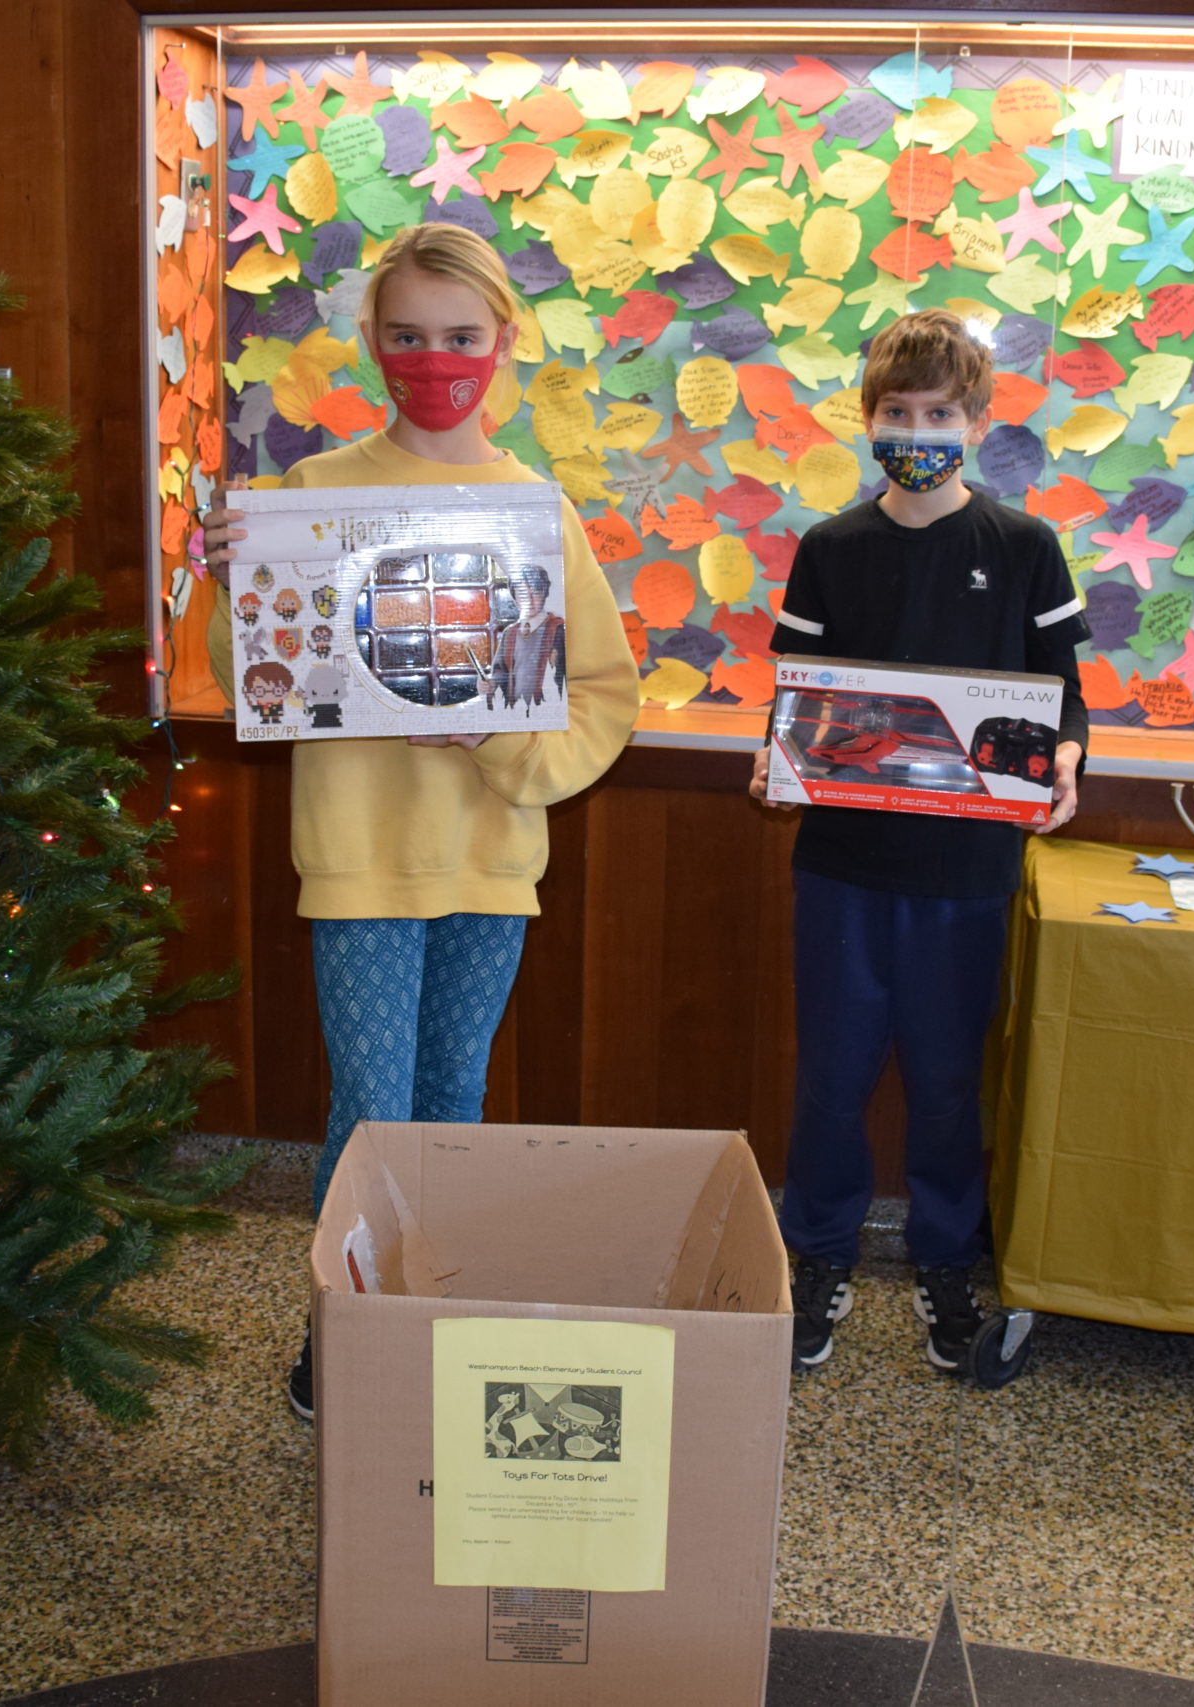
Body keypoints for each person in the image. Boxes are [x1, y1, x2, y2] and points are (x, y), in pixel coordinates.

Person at [200, 224, 638, 1421]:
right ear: (373, 344)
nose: (433, 359)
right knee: (369, 1111)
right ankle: (342, 1329)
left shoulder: (536, 510)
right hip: (359, 863)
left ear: (501, 342)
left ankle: (428, 1316)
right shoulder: (311, 495)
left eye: (458, 337)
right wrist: (228, 576)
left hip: (490, 860)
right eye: (407, 336)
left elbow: (601, 694)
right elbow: (251, 673)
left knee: (452, 1104)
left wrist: (494, 737)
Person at [747, 307, 1090, 1378]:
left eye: (939, 412)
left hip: (968, 873)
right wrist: (776, 761)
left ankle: (949, 1262)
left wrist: (1068, 761)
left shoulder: (1024, 548)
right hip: (844, 869)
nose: (916, 427)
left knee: (947, 1083)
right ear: (867, 418)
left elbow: (1063, 702)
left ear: (977, 421)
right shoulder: (829, 550)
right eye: (897, 411)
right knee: (831, 1080)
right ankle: (814, 1257)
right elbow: (795, 703)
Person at [493, 565, 565, 710]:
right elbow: (499, 671)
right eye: (522, 594)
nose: (530, 600)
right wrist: (489, 683)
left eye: (536, 593)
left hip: (549, 708)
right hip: (515, 710)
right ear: (514, 596)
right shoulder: (510, 633)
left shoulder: (558, 629)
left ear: (545, 592)